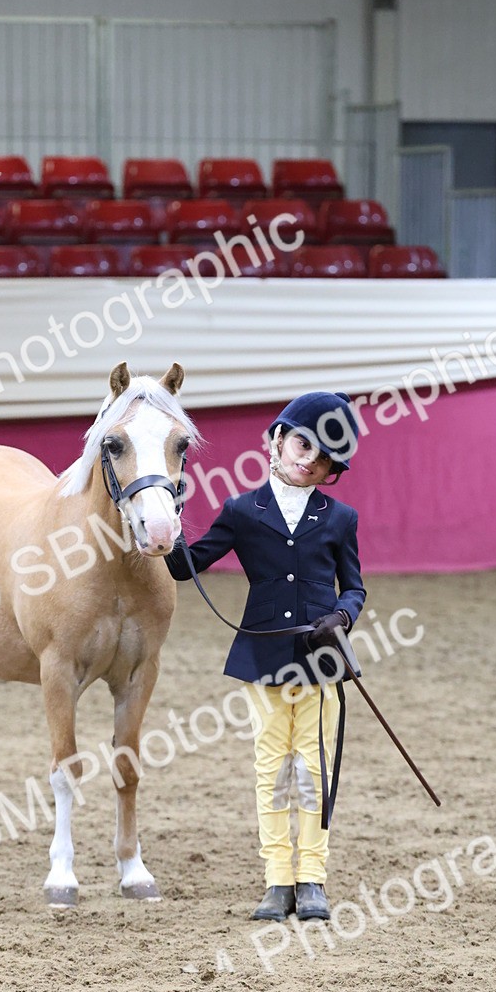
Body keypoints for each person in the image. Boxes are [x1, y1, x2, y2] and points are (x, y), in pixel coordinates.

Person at [164, 391, 366, 922]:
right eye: (302, 443)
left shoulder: (341, 517)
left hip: (322, 659)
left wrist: (342, 617)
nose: (308, 459)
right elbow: (188, 566)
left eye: (322, 458)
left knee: (316, 768)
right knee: (274, 769)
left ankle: (313, 879)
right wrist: (170, 514)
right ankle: (278, 880)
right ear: (277, 439)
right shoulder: (241, 511)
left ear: (330, 470)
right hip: (264, 657)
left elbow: (355, 589)